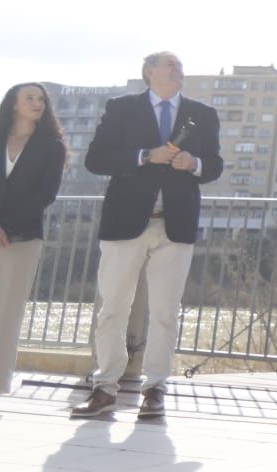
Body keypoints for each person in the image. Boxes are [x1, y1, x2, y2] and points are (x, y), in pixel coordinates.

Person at [71, 52, 222, 420]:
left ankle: (155, 389)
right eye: (169, 64)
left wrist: (195, 164)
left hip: (176, 226)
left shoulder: (202, 114)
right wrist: (143, 156)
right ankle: (105, 387)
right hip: (125, 224)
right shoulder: (122, 108)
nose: (178, 69)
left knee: (166, 313)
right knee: (113, 309)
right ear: (149, 72)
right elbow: (96, 160)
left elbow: (214, 164)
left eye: (180, 65)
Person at [0, 83, 68, 415]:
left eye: (41, 99)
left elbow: (45, 195)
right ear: (14, 104)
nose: (37, 103)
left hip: (22, 237)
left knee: (5, 316)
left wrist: (3, 226)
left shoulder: (51, 147)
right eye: (30, 98)